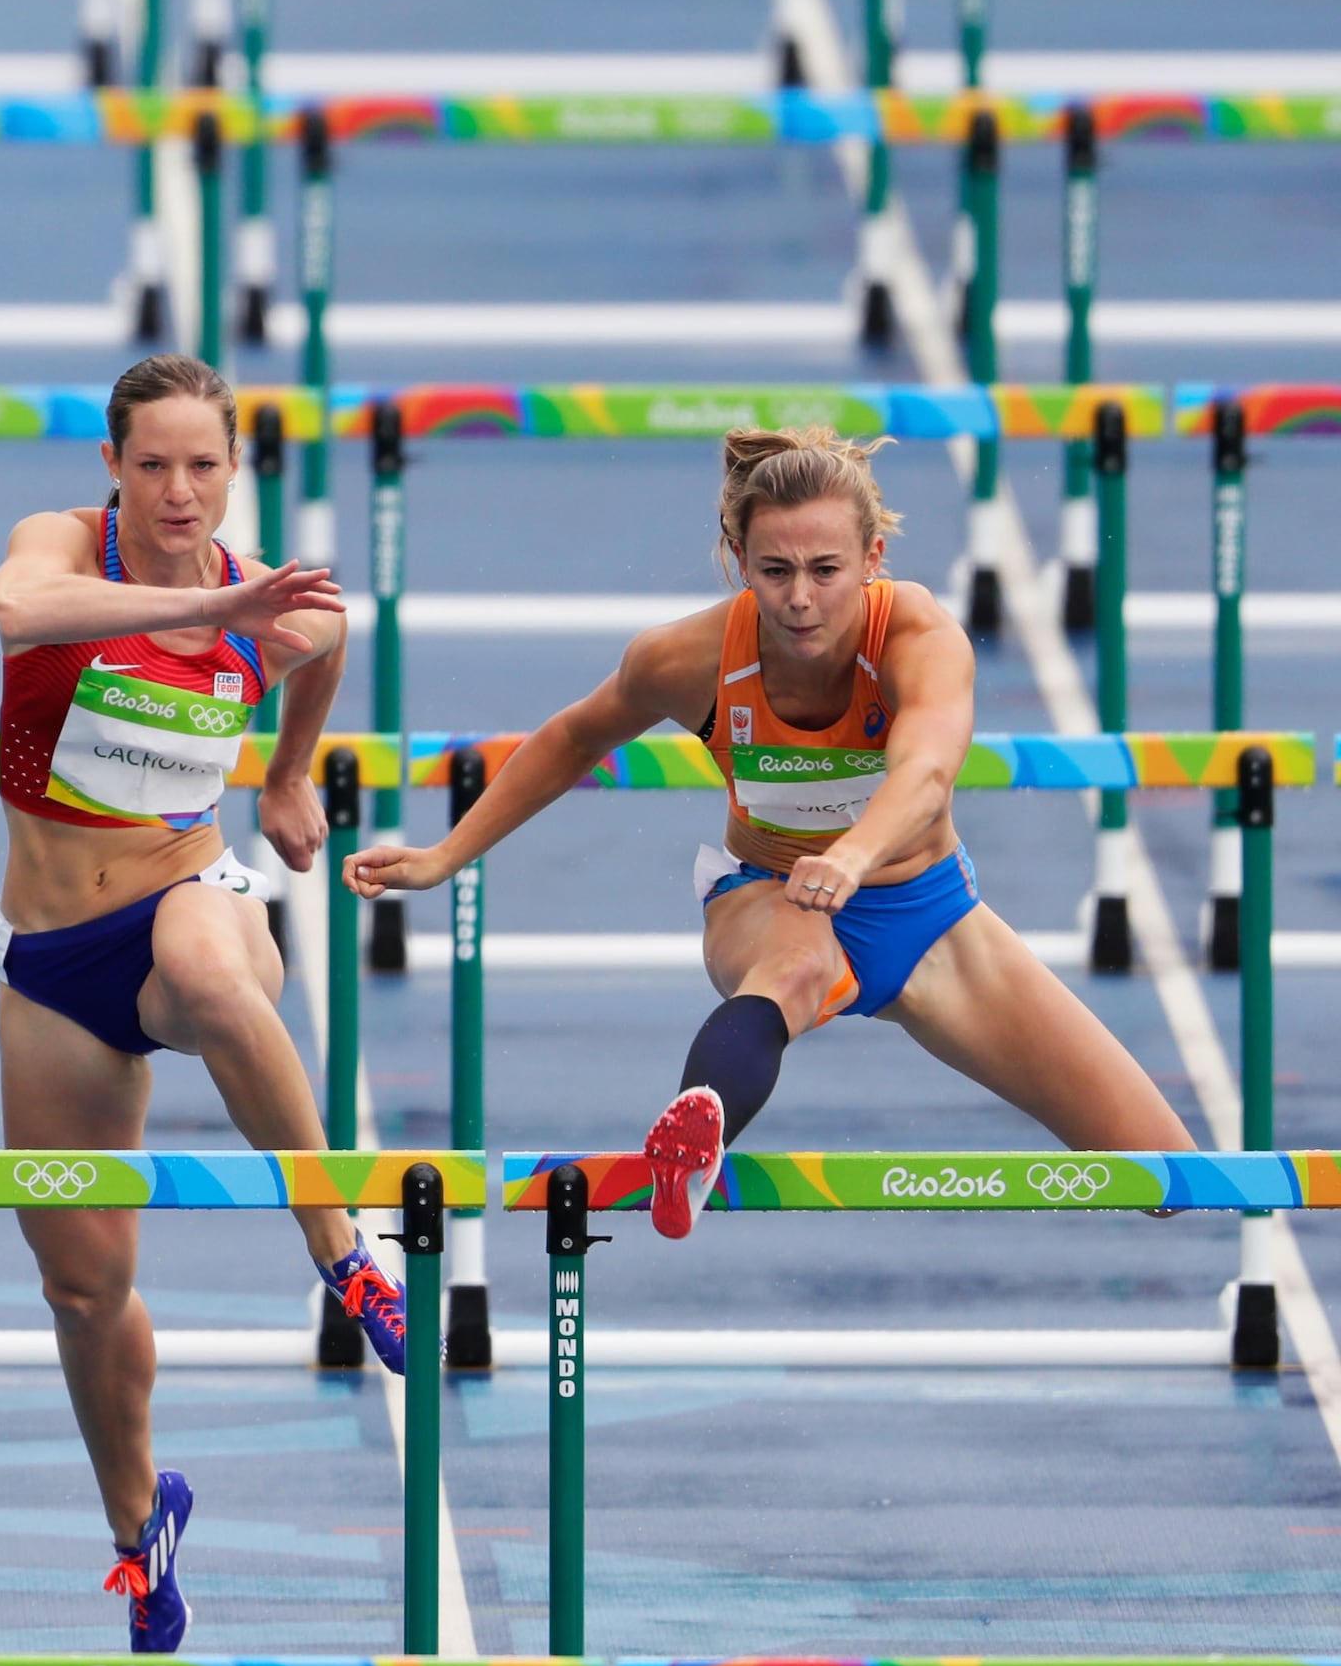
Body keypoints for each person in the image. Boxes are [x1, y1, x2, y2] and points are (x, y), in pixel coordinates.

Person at [347, 424, 1191, 1240]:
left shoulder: (919, 635)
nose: (798, 598)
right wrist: (446, 855)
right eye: (775, 570)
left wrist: (856, 856)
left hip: (930, 917)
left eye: (826, 570)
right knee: (792, 968)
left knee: (1168, 1176)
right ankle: (689, 1146)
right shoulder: (686, 659)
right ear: (737, 557)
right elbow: (574, 737)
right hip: (772, 899)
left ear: (873, 560)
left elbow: (926, 773)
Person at [0, 352, 401, 1655]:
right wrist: (218, 607)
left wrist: (287, 778)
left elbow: (330, 635)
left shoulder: (272, 596)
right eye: (154, 463)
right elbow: (18, 610)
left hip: (187, 901)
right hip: (52, 957)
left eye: (204, 466)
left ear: (236, 470)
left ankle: (344, 1256)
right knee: (82, 1283)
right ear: (112, 466)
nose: (180, 489)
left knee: (220, 973)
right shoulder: (61, 543)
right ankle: (137, 1524)